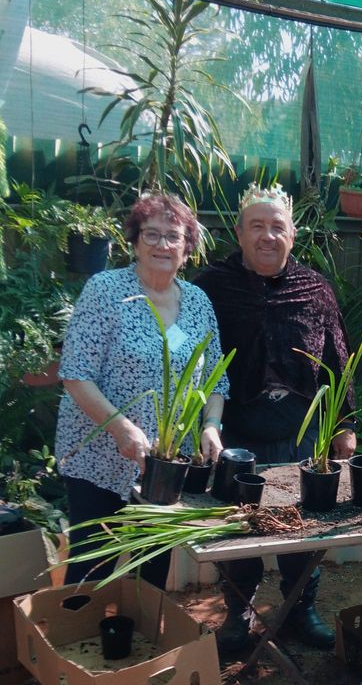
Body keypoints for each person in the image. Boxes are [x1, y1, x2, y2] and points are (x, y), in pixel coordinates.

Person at [194, 184, 355, 651]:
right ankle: (238, 615)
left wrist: (345, 425)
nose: (268, 236)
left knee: (301, 525)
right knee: (238, 527)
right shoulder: (211, 287)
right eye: (257, 226)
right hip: (235, 426)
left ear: (293, 233)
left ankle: (298, 611)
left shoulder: (315, 289)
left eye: (277, 227)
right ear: (240, 233)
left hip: (297, 429)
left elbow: (338, 357)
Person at [56, 193, 228, 589]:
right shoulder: (105, 291)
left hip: (164, 465)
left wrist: (211, 426)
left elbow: (216, 379)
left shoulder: (198, 302)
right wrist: (123, 430)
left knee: (150, 567)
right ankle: (75, 641)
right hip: (99, 456)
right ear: (134, 241)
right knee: (91, 562)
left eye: (173, 236)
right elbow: (76, 375)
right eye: (151, 235)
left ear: (187, 247)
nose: (162, 245)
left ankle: (142, 643)